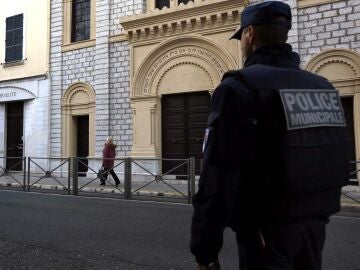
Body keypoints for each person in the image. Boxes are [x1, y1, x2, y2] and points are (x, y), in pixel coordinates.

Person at [190, 1, 349, 270]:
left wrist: (205, 249)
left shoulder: (239, 87)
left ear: (249, 34)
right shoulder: (321, 86)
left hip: (266, 233)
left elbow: (218, 173)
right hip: (315, 227)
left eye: (241, 37)